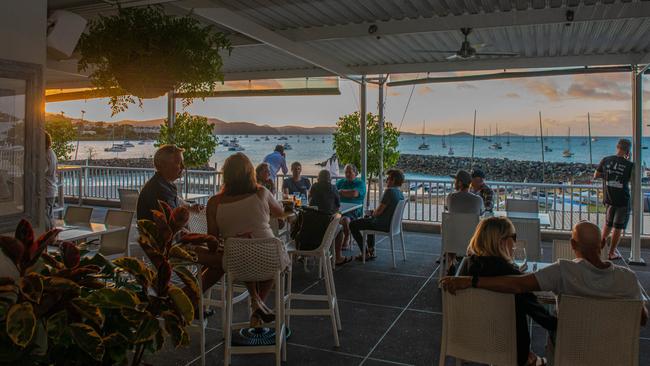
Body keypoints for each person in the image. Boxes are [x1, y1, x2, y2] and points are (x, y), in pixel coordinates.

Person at [441, 221, 648, 327]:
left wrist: (470, 280)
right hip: (615, 352)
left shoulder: (562, 271)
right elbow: (641, 318)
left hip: (572, 348)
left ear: (572, 244)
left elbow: (518, 285)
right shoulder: (627, 278)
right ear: (603, 244)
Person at [199, 152, 286, 327]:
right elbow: (280, 212)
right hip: (270, 257)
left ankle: (189, 296)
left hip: (237, 260)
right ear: (250, 173)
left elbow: (212, 239)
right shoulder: (262, 192)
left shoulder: (214, 202)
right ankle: (257, 307)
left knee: (241, 251)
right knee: (264, 259)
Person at [458, 217, 556, 366]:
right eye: (514, 237)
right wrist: (559, 325)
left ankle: (531, 358)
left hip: (472, 341)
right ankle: (532, 360)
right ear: (501, 242)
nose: (515, 243)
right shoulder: (511, 278)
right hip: (508, 347)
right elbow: (538, 313)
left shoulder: (467, 265)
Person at [136, 145, 202, 221]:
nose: (183, 167)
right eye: (178, 162)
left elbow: (177, 200)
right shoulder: (159, 190)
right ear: (164, 165)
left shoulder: (164, 184)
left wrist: (190, 207)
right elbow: (173, 222)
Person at [350, 169, 404, 260]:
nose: (386, 181)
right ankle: (371, 250)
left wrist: (372, 212)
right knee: (368, 218)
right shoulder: (400, 194)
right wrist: (372, 214)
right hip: (392, 225)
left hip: (382, 225)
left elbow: (378, 212)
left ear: (393, 180)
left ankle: (365, 253)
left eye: (388, 179)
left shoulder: (389, 192)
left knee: (352, 224)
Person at [594, 138, 633, 260]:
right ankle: (611, 253)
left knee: (608, 224)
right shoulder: (629, 165)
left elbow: (596, 176)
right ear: (628, 150)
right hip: (622, 200)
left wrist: (609, 175)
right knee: (618, 227)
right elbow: (631, 179)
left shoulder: (606, 160)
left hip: (609, 198)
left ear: (617, 147)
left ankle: (597, 248)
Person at [444, 169, 484, 275]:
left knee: (451, 228)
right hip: (472, 241)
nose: (454, 183)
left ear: (460, 183)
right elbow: (481, 212)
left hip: (452, 240)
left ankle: (450, 263)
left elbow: (448, 208)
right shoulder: (478, 199)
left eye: (456, 181)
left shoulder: (451, 197)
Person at [309, 170, 352, 265]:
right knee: (340, 229)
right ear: (330, 179)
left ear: (318, 178)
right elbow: (338, 204)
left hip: (312, 226)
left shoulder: (314, 186)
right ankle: (338, 257)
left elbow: (310, 201)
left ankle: (301, 255)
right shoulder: (333, 188)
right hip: (327, 227)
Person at [336, 164, 366, 249]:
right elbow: (332, 191)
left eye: (350, 172)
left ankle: (347, 237)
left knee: (346, 219)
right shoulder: (341, 182)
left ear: (355, 173)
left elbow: (354, 193)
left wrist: (341, 192)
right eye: (346, 172)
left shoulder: (360, 183)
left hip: (353, 210)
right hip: (339, 209)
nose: (347, 174)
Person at [44, 132, 58, 230]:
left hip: (45, 189)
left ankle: (47, 237)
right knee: (49, 214)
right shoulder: (52, 152)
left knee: (44, 216)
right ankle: (51, 236)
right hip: (51, 188)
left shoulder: (45, 155)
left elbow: (41, 171)